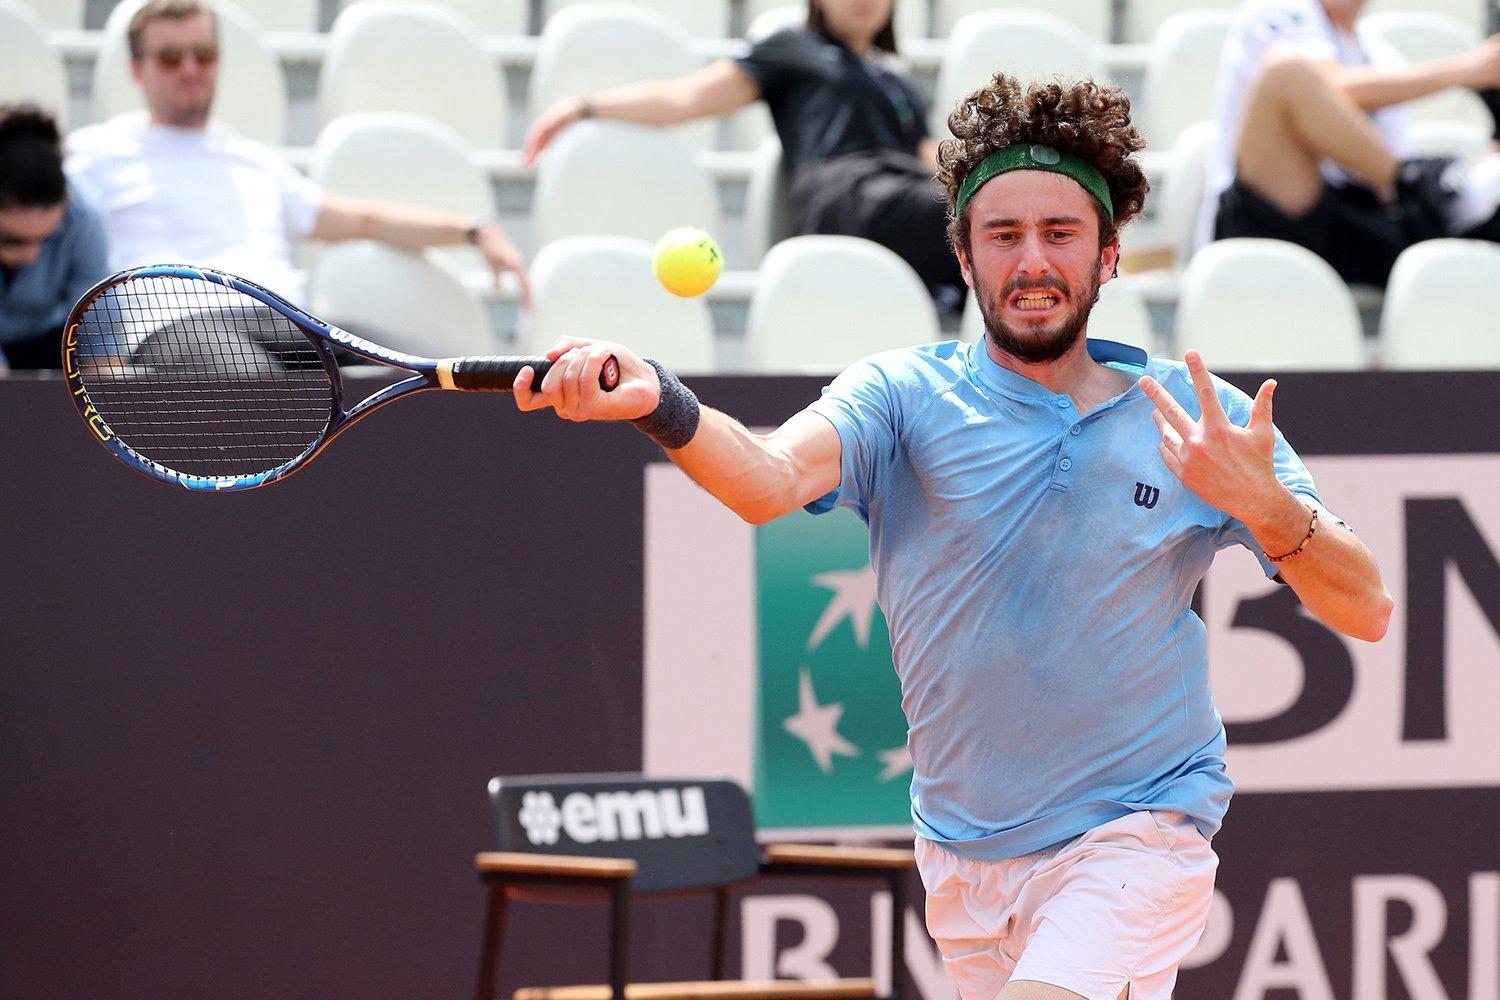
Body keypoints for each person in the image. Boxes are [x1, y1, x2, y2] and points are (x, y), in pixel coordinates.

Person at [512, 74, 1393, 999]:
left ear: (1109, 255)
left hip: (1137, 834)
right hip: (964, 861)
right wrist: (663, 401)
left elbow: (1367, 607)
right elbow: (767, 481)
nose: (1033, 262)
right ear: (966, 258)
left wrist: (1267, 507)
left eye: (1061, 234)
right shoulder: (899, 395)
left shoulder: (1196, 422)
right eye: (1004, 236)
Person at [66, 0, 529, 312]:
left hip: (283, 330)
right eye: (169, 58)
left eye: (203, 55)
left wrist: (473, 229)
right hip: (167, 337)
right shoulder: (94, 154)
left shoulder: (253, 161)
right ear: (135, 69)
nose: (190, 69)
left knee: (408, 382)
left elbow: (363, 219)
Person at [522, 0, 965, 308]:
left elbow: (937, 167)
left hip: (906, 192)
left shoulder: (901, 83)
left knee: (979, 213)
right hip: (845, 194)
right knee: (973, 220)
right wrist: (585, 106)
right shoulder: (791, 48)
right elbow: (686, 98)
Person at [1205, 0, 1500, 285]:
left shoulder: (1381, 54)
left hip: (1350, 222)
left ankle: (1448, 195)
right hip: (1264, 213)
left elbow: (1382, 187)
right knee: (1286, 72)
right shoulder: (1278, 10)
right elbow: (1328, 85)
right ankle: (1429, 186)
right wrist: (1468, 70)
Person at [0, 104, 109, 370]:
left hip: (47, 346)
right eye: (13, 240)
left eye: (49, 238)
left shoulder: (84, 218)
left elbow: (99, 349)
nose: (32, 255)